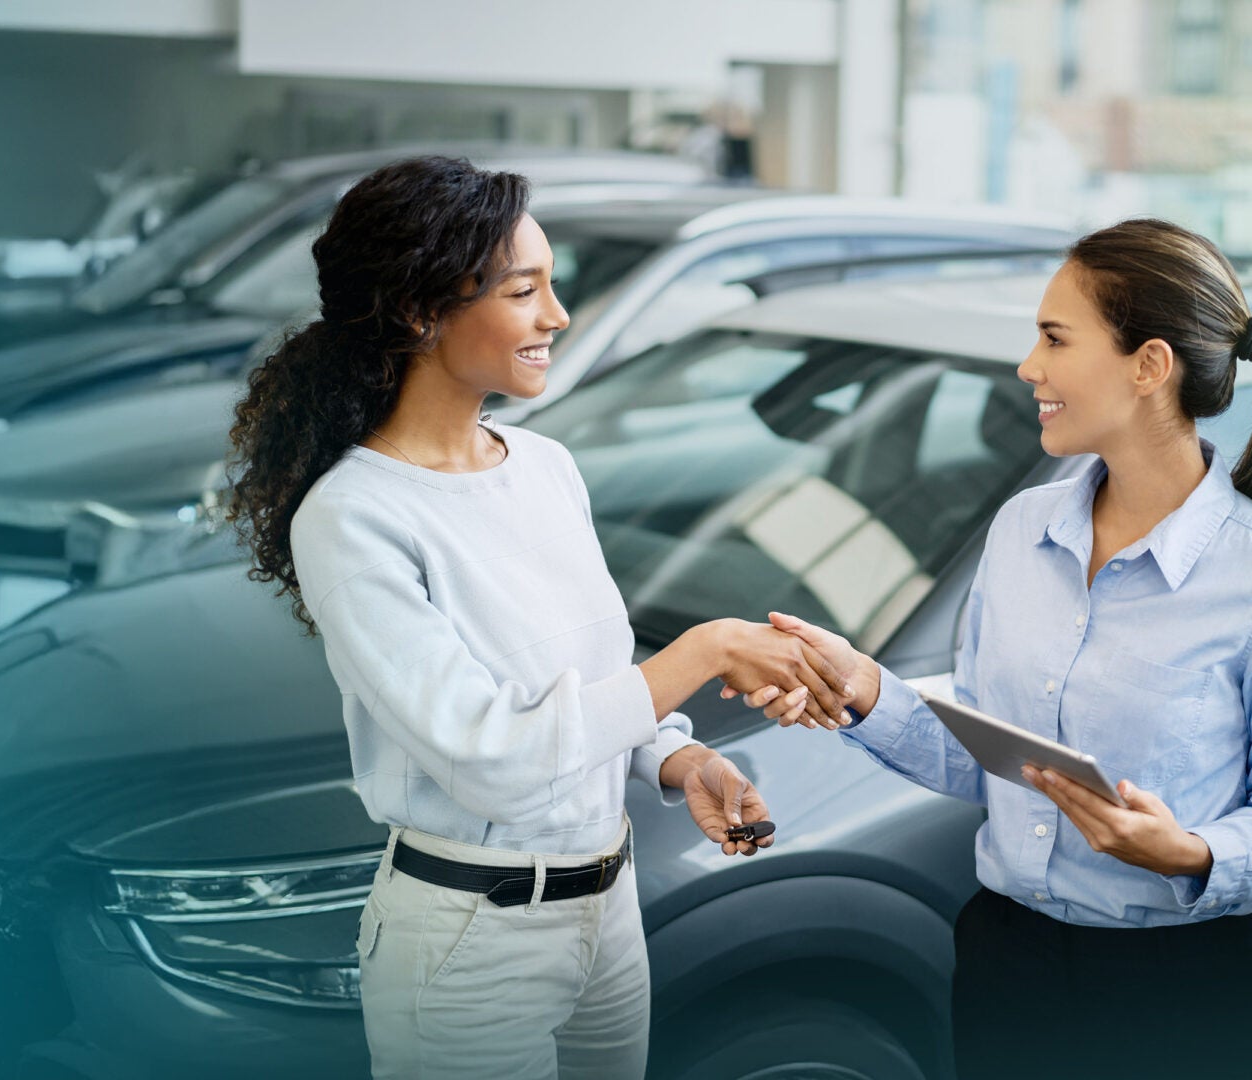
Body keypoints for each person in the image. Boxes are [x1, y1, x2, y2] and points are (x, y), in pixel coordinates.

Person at [227, 156, 853, 1080]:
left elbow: (590, 681)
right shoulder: (355, 517)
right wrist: (708, 648)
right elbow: (494, 757)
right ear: (420, 311)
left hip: (609, 909)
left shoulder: (545, 465)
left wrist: (674, 756)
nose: (557, 316)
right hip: (469, 943)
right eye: (526, 292)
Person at [732, 218, 1252, 1078]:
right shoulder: (1023, 529)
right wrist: (865, 688)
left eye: (1055, 339)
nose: (1029, 367)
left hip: (1177, 998)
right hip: (1004, 960)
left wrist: (1190, 854)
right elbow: (990, 759)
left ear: (1149, 366)